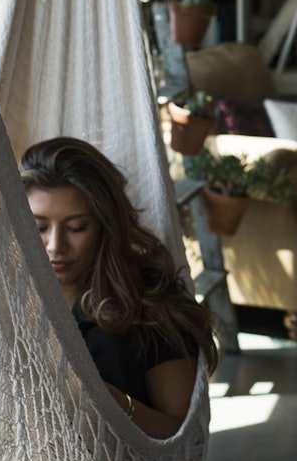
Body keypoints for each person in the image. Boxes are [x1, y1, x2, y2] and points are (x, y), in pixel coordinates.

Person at [20, 137, 218, 439]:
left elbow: (183, 437)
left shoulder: (152, 304)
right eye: (39, 228)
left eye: (76, 228)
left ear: (104, 225)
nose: (55, 246)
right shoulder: (7, 298)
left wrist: (110, 402)